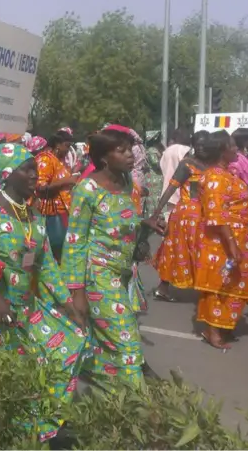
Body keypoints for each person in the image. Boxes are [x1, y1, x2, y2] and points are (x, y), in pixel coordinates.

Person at [0, 142, 89, 442]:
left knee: (70, 342)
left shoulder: (32, 213)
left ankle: (34, 430)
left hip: (28, 309)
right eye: (27, 169)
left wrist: (70, 308)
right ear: (6, 173)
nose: (35, 175)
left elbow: (48, 267)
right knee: (3, 377)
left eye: (35, 168)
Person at [62, 129, 146, 388]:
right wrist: (77, 292)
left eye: (129, 148)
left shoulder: (126, 181)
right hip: (98, 275)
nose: (130, 155)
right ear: (104, 158)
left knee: (106, 343)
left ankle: (105, 391)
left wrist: (143, 232)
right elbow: (74, 243)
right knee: (128, 343)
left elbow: (126, 220)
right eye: (121, 150)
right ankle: (141, 406)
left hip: (122, 274)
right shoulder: (87, 189)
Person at [194, 130, 248, 350]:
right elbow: (217, 216)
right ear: (223, 150)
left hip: (240, 238)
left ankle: (222, 326)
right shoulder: (214, 178)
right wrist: (232, 246)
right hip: (222, 243)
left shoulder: (227, 174)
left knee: (232, 284)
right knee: (217, 287)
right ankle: (212, 331)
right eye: (232, 146)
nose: (236, 150)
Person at [145, 130, 208, 301]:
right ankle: (163, 288)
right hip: (185, 215)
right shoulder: (187, 164)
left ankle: (203, 288)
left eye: (205, 144)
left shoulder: (211, 166)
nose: (202, 147)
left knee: (200, 252)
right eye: (199, 144)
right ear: (193, 145)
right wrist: (156, 214)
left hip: (204, 215)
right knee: (175, 252)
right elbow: (171, 189)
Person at [35, 131, 80, 261]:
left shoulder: (58, 161)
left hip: (63, 212)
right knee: (56, 251)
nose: (68, 150)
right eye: (66, 146)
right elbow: (40, 187)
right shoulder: (46, 159)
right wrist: (66, 181)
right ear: (58, 145)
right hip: (51, 215)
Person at [158, 130, 194, 221]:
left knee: (169, 217)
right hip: (183, 191)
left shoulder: (166, 151)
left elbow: (161, 166)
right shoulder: (185, 150)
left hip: (168, 190)